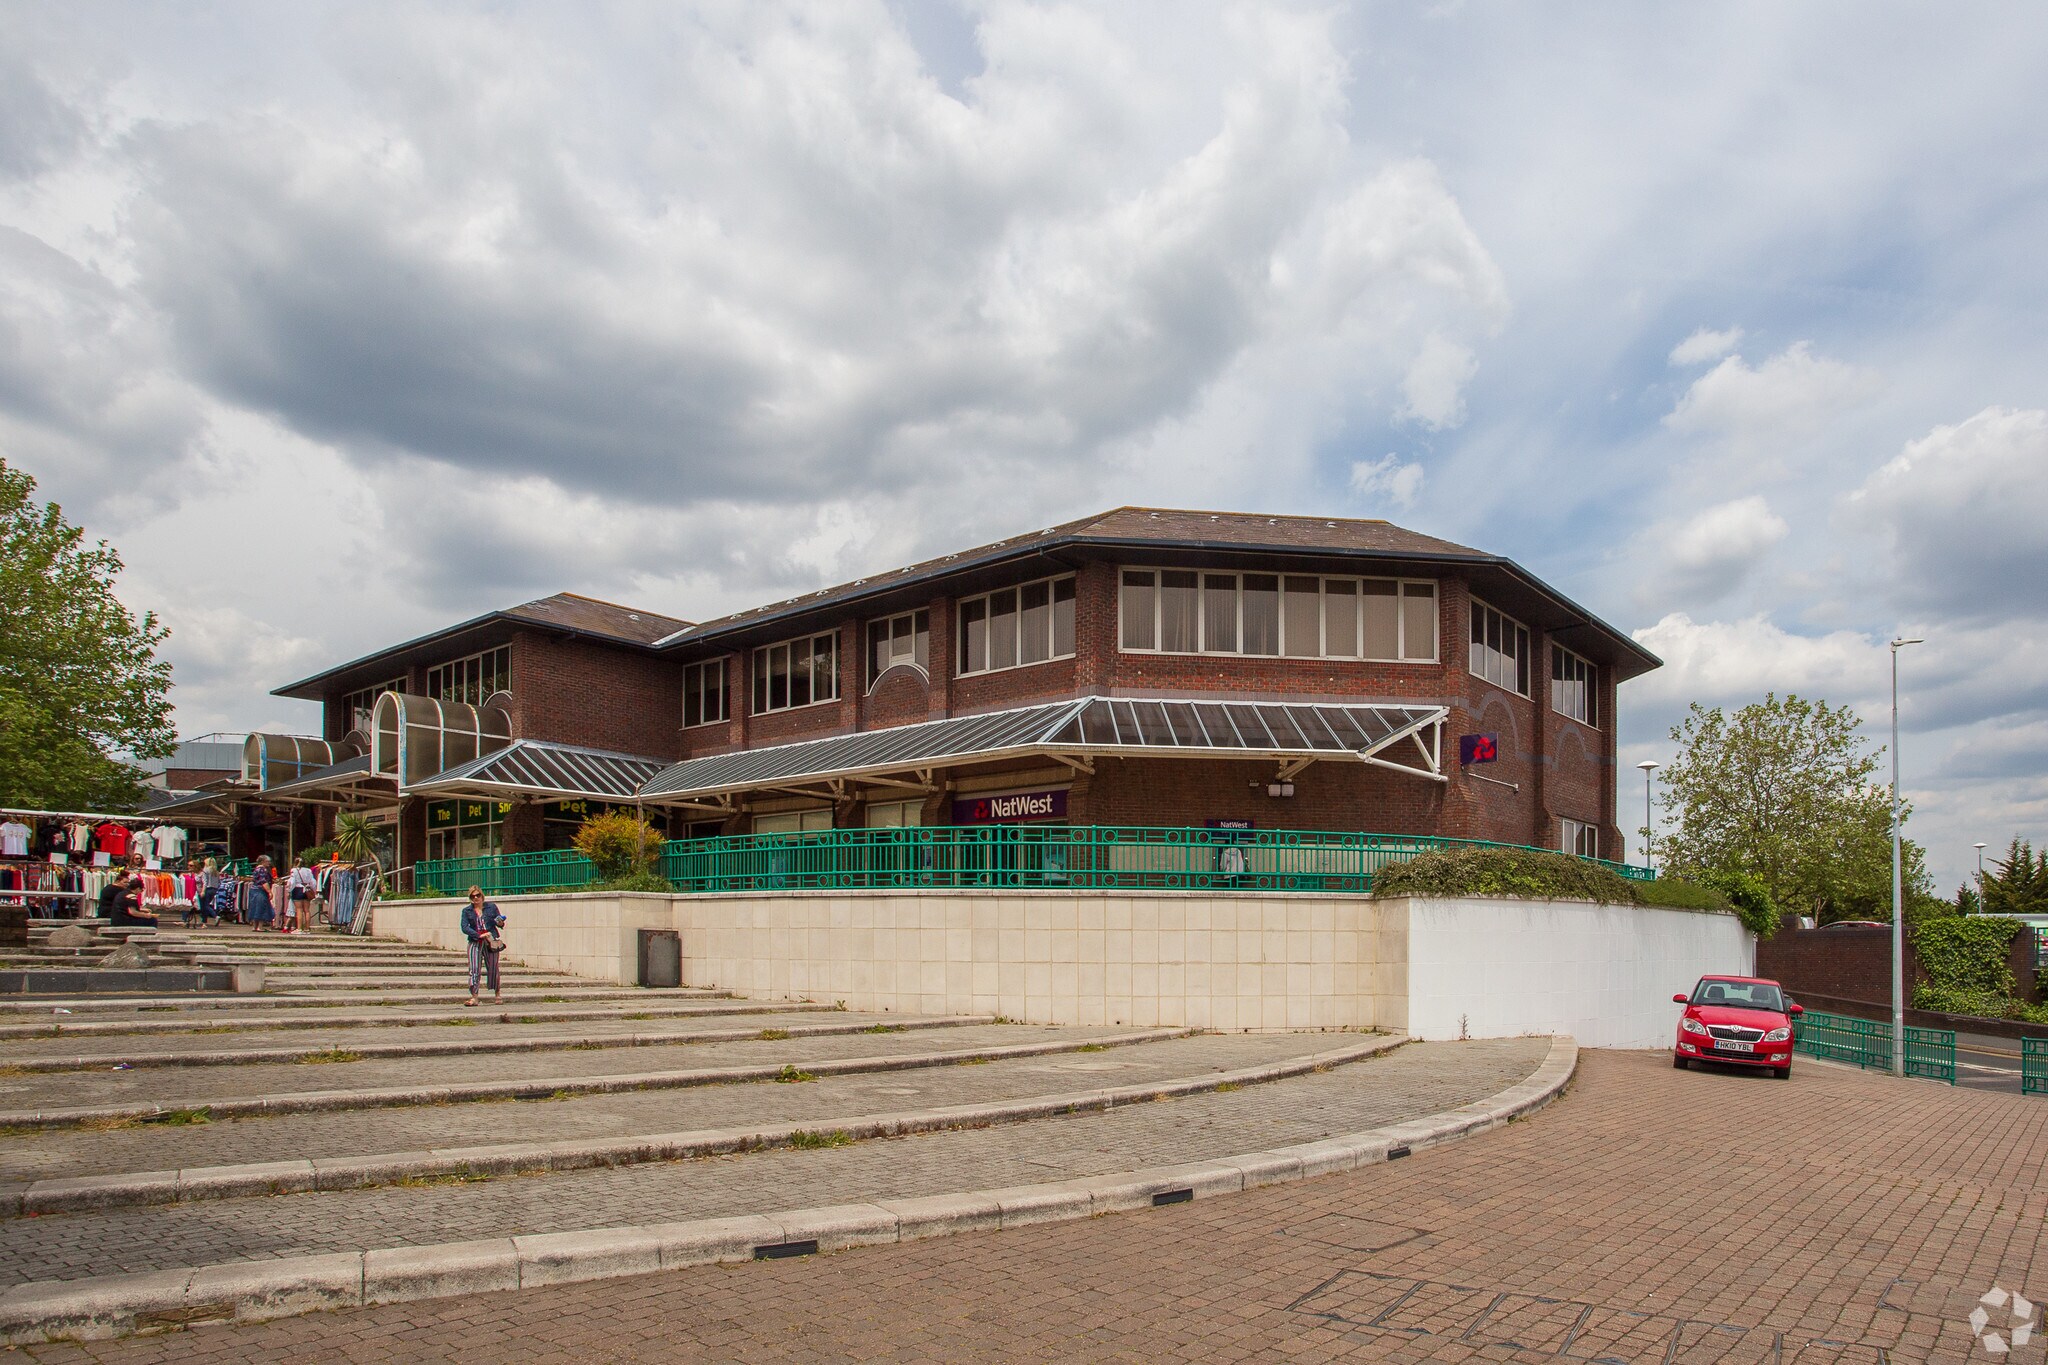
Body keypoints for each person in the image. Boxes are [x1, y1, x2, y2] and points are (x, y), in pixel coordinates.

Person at [460, 886, 506, 1007]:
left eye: (478, 895)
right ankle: (474, 996)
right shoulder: (467, 911)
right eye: (473, 896)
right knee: (474, 969)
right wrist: (478, 935)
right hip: (475, 940)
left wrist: (500, 922)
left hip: (490, 940)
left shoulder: (491, 907)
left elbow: (499, 923)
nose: (476, 898)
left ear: (482, 896)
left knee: (493, 968)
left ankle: (497, 994)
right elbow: (464, 927)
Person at [284, 856, 317, 933]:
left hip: (297, 889)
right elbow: (313, 882)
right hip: (307, 889)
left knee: (299, 910)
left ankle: (299, 929)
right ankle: (307, 929)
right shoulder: (309, 870)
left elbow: (292, 882)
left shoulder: (294, 870)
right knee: (307, 910)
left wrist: (289, 891)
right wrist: (314, 890)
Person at [248, 857, 276, 930]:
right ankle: (260, 927)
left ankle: (255, 926)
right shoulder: (262, 870)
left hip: (254, 890)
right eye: (268, 861)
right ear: (263, 861)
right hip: (260, 890)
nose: (269, 863)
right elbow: (263, 881)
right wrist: (269, 892)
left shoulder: (256, 869)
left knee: (255, 908)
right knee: (262, 907)